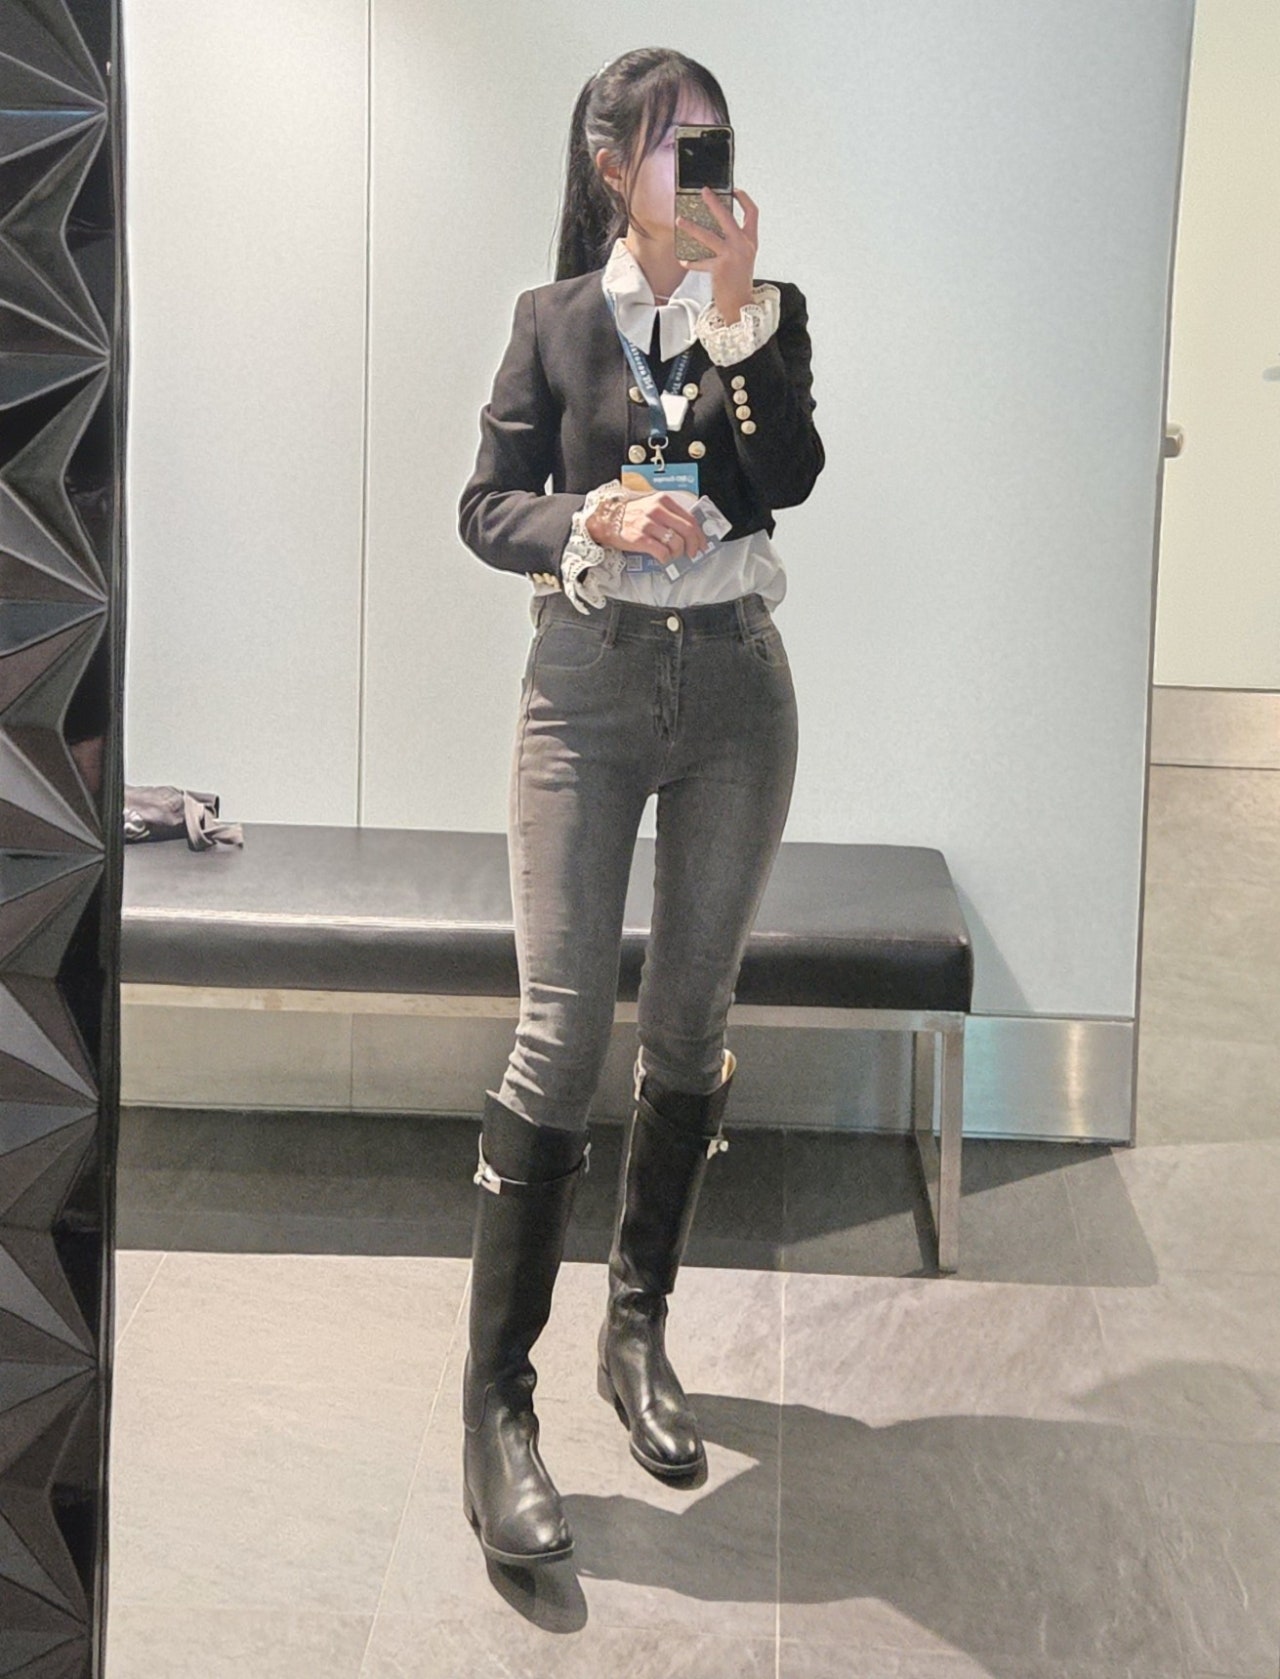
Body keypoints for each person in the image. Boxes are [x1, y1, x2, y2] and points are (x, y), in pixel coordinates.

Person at [456, 45, 824, 1568]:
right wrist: (590, 513)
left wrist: (739, 325)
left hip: (736, 686)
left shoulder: (766, 312)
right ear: (613, 166)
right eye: (679, 141)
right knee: (559, 1033)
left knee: (687, 1024)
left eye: (719, 138)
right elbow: (484, 508)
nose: (706, 164)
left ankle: (636, 1332)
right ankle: (496, 1407)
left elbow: (789, 473)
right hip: (586, 689)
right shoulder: (552, 320)